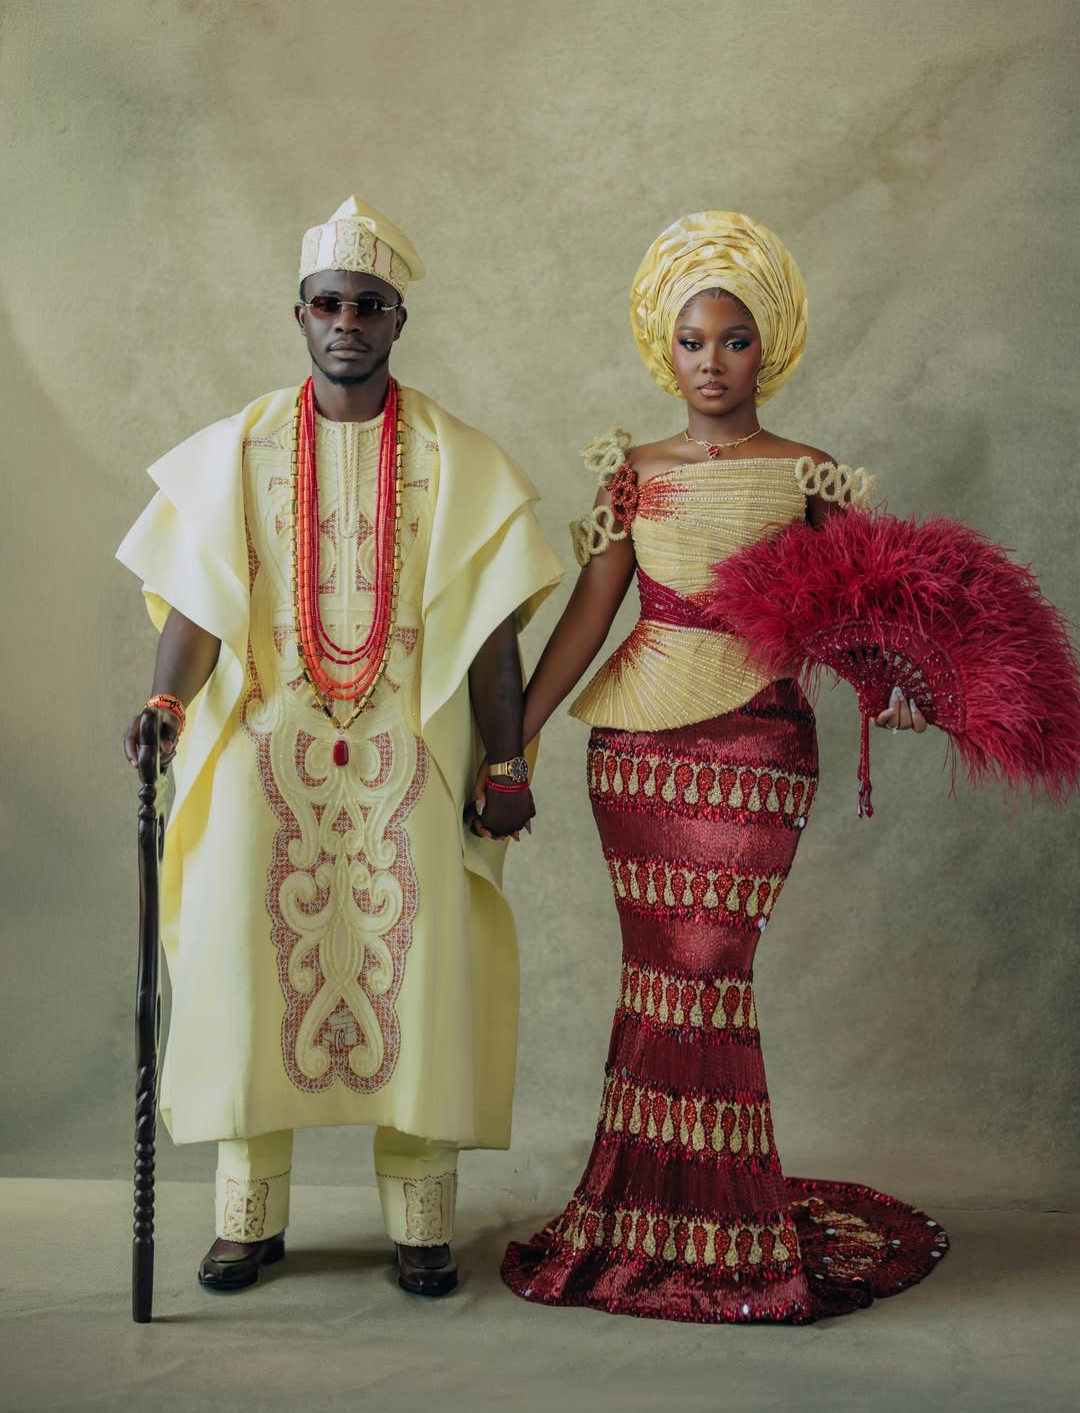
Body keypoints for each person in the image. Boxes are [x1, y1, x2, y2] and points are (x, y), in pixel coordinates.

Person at [499, 211, 946, 1323]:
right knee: (658, 976)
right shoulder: (631, 473)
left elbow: (855, 616)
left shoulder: (814, 476)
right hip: (638, 751)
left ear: (772, 346)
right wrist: (521, 731)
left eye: (734, 340)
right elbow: (590, 615)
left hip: (759, 742)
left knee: (707, 973)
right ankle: (638, 1216)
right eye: (692, 340)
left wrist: (899, 687)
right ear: (666, 345)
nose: (711, 362)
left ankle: (722, 1224)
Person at [118, 196, 562, 1297]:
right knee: (242, 965)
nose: (347, 321)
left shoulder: (456, 458)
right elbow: (199, 604)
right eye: (328, 303)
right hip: (270, 751)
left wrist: (505, 764)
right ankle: (247, 1217)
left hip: (410, 756)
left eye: (369, 305)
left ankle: (419, 1221)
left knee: (420, 975)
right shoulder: (244, 447)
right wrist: (166, 710)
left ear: (400, 320)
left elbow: (496, 630)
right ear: (299, 313)